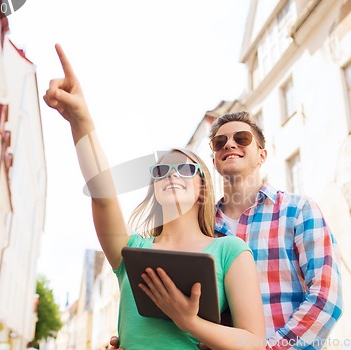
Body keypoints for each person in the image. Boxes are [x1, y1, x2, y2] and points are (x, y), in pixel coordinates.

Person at [43, 44, 265, 350]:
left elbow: (253, 342)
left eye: (184, 168)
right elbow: (102, 194)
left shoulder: (230, 250)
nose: (172, 174)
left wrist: (189, 322)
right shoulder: (132, 250)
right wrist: (80, 119)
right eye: (161, 170)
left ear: (203, 188)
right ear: (154, 190)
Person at [111, 111, 343, 349]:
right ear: (213, 162)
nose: (229, 144)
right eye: (219, 143)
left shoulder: (298, 210)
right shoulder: (200, 230)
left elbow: (325, 298)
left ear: (262, 155)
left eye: (242, 138)